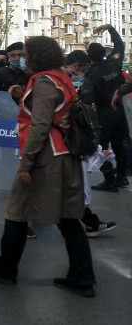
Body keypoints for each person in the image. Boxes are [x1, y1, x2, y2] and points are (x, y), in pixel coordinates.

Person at [0, 36, 96, 298]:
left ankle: (6, 267)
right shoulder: (61, 78)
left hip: (46, 157)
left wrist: (26, 164)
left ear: (37, 56)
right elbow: (52, 112)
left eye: (27, 55)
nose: (24, 59)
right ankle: (82, 275)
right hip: (65, 153)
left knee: (16, 209)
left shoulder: (43, 81)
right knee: (67, 217)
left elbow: (40, 125)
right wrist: (23, 99)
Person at [66, 50, 117, 237]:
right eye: (83, 69)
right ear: (76, 66)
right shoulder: (59, 81)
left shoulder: (61, 80)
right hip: (62, 144)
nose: (83, 73)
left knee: (69, 189)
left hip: (66, 143)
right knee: (69, 189)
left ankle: (91, 223)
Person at [81, 24, 129, 191]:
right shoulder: (114, 62)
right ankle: (122, 177)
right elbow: (120, 45)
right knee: (119, 145)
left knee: (100, 147)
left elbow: (87, 100)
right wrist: (110, 29)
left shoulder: (91, 75)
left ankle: (109, 180)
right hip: (120, 111)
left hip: (103, 115)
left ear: (89, 57)